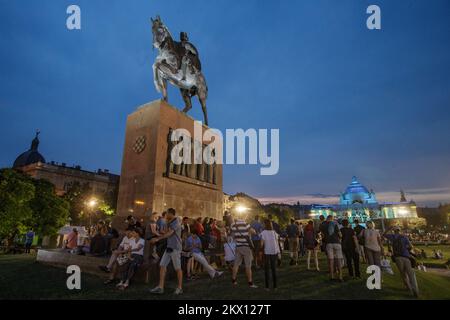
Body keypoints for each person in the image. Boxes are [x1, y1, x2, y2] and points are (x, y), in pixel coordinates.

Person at [150, 208, 183, 295]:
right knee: (162, 266)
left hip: (175, 248)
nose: (165, 215)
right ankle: (160, 287)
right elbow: (166, 232)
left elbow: (170, 233)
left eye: (167, 213)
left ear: (171, 214)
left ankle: (180, 288)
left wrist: (157, 239)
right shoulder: (170, 222)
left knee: (177, 268)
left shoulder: (176, 222)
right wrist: (160, 232)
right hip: (169, 247)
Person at [384, 226, 419, 297]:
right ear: (399, 230)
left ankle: (409, 288)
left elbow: (384, 234)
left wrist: (388, 228)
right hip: (406, 257)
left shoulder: (392, 236)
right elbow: (410, 246)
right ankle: (415, 290)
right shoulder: (404, 237)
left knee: (403, 274)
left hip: (398, 257)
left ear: (394, 231)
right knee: (410, 274)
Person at [230, 217, 257, 288]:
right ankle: (250, 283)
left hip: (238, 247)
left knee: (236, 264)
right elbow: (254, 232)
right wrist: (251, 231)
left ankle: (233, 280)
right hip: (246, 247)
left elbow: (232, 236)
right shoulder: (246, 224)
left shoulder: (233, 225)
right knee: (248, 266)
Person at [260, 219, 280, 290]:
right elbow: (277, 242)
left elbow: (261, 244)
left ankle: (267, 287)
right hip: (274, 252)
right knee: (274, 269)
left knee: (267, 269)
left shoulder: (263, 233)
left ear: (265, 224)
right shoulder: (274, 232)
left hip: (267, 252)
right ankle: (275, 286)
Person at [323, 215, 343, 281]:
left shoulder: (324, 225)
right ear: (332, 218)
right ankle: (340, 276)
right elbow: (340, 234)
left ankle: (332, 276)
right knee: (338, 260)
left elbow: (322, 235)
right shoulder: (335, 224)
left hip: (328, 243)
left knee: (331, 260)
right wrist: (340, 236)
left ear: (327, 218)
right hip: (336, 242)